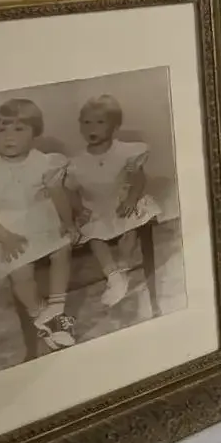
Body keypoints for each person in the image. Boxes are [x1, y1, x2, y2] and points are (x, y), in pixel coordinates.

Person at [0, 98, 78, 350]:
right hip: (7, 231)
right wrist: (6, 238)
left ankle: (56, 308)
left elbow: (58, 195)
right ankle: (40, 314)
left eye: (18, 129)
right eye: (1, 130)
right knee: (21, 272)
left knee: (62, 250)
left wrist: (68, 223)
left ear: (35, 133)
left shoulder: (44, 162)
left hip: (43, 220)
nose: (8, 137)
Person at [66, 94, 162, 307]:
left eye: (100, 122)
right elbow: (71, 189)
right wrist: (79, 208)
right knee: (93, 235)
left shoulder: (126, 152)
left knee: (131, 225)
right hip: (96, 206)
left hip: (122, 201)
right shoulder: (77, 163)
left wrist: (131, 199)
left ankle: (123, 264)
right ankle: (113, 275)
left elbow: (138, 178)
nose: (92, 128)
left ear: (114, 126)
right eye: (86, 122)